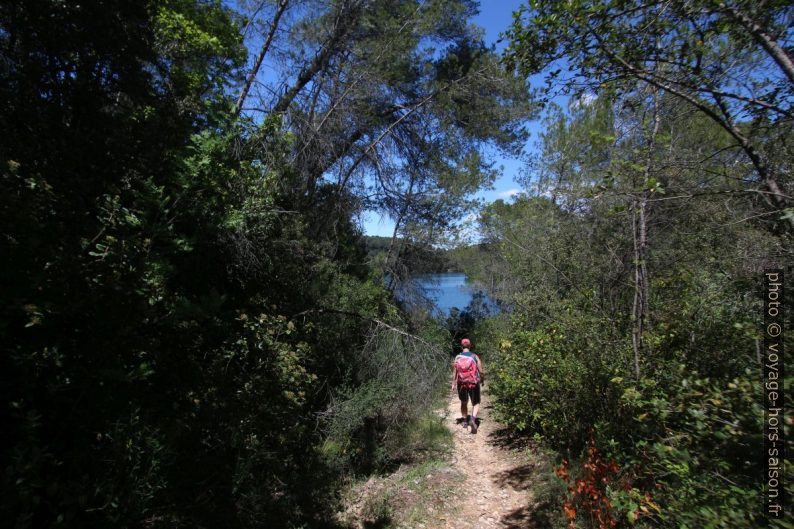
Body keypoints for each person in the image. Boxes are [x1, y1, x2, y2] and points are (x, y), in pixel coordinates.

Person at [452, 338, 484, 433]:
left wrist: (453, 384)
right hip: (473, 383)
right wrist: (482, 380)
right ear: (470, 346)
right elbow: (481, 371)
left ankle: (465, 421)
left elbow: (455, 372)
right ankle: (473, 419)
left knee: (464, 402)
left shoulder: (458, 357)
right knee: (476, 402)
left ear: (462, 346)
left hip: (461, 383)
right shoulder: (474, 356)